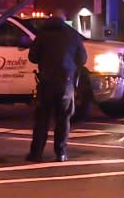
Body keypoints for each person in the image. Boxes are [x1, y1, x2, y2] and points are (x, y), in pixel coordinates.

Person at [26, 9, 87, 163]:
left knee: (42, 119)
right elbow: (83, 58)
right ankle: (61, 153)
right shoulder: (72, 35)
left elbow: (32, 57)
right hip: (65, 82)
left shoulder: (42, 34)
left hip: (46, 81)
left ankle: (36, 153)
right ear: (64, 19)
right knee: (63, 119)